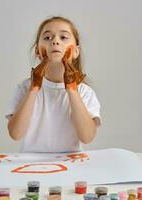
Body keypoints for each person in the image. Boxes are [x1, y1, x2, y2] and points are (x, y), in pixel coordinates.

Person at [6, 16, 101, 153]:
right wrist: (34, 87)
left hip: (71, 165)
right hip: (30, 165)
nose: (55, 41)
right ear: (38, 51)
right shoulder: (25, 88)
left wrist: (72, 89)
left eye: (63, 37)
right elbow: (15, 134)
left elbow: (87, 137)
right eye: (47, 38)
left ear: (75, 51)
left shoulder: (84, 92)